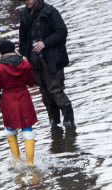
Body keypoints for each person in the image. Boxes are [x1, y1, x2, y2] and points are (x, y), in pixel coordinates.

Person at [19, 0, 75, 130]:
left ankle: (69, 121)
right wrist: (24, 57)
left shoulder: (51, 11)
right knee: (44, 92)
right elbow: (22, 38)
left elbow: (62, 32)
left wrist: (45, 43)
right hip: (34, 61)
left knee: (55, 90)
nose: (26, 2)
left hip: (52, 60)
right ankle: (54, 123)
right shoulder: (24, 15)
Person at [0, 39, 38, 165]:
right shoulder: (25, 63)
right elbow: (30, 82)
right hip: (24, 98)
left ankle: (16, 161)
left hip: (8, 102)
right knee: (27, 130)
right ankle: (30, 163)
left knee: (10, 130)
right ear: (14, 50)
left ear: (1, 53)